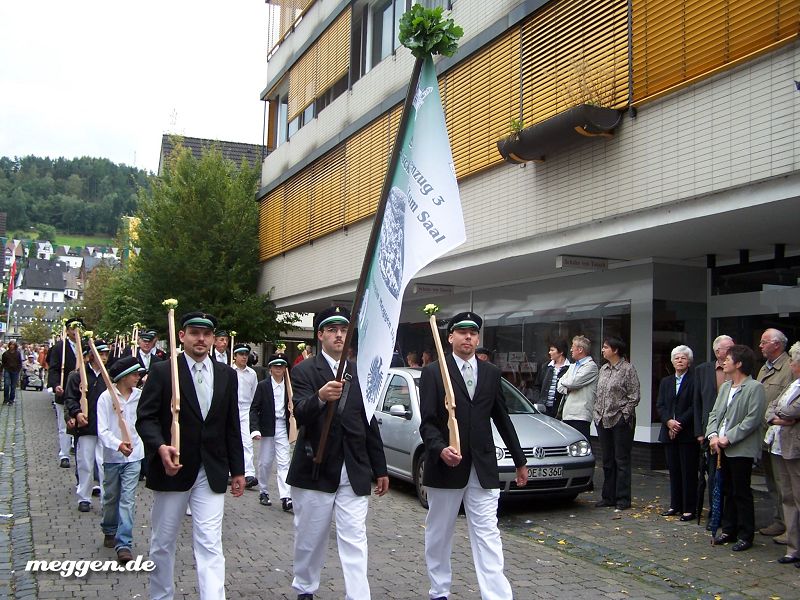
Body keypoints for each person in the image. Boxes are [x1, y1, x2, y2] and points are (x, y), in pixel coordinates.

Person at [136, 311, 245, 600]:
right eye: (195, 333)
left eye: (207, 334)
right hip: (173, 468)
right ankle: (161, 595)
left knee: (210, 542)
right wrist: (160, 447)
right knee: (163, 542)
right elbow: (145, 418)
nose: (201, 339)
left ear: (213, 338)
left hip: (211, 470)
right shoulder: (164, 371)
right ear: (182, 336)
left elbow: (231, 424)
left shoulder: (226, 375)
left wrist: (238, 470)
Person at [419, 311, 527, 600]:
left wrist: (519, 460)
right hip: (446, 466)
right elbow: (427, 422)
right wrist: (440, 448)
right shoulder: (434, 372)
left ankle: (497, 595)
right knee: (439, 533)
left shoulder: (490, 373)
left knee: (488, 534)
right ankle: (439, 590)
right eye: (462, 332)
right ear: (450, 337)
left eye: (473, 333)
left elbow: (501, 418)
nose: (468, 337)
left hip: (483, 466)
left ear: (478, 339)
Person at [287, 305, 389, 600]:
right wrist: (320, 397)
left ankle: (358, 595)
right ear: (320, 335)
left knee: (355, 538)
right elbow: (299, 413)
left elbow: (369, 422)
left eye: (344, 330)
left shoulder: (360, 372)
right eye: (332, 330)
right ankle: (305, 587)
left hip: (353, 468)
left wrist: (380, 468)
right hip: (315, 467)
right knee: (310, 538)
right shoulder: (305, 370)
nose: (339, 335)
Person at [706, 345, 767, 551]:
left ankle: (746, 534)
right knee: (726, 490)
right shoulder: (725, 387)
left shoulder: (754, 388)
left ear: (739, 363)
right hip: (720, 447)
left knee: (741, 491)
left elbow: (752, 419)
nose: (723, 362)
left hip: (740, 448)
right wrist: (713, 435)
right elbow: (714, 413)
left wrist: (728, 438)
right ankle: (728, 530)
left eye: (728, 359)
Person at [96, 356, 146, 564]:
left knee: (127, 499)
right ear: (124, 377)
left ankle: (124, 543)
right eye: (135, 374)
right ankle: (109, 528)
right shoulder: (105, 398)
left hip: (135, 456)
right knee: (111, 497)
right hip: (113, 457)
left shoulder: (140, 397)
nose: (138, 377)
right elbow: (102, 430)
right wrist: (118, 444)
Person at [64, 338, 110, 512]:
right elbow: (71, 399)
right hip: (86, 427)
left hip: (104, 427)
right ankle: (84, 497)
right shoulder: (78, 376)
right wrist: (77, 413)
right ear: (91, 355)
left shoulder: (109, 377)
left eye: (106, 354)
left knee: (104, 464)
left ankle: (106, 499)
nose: (104, 357)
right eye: (100, 354)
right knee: (85, 463)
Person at [594, 337, 640, 510]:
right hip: (602, 419)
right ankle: (608, 496)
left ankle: (623, 498)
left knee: (621, 460)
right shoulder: (603, 369)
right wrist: (597, 413)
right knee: (607, 460)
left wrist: (624, 416)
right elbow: (599, 393)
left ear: (615, 350)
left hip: (620, 420)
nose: (603, 350)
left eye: (606, 347)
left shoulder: (627, 369)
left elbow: (634, 396)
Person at [693, 334, 735, 527]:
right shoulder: (703, 370)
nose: (733, 350)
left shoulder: (738, 369)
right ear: (718, 351)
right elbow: (697, 402)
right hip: (710, 432)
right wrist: (699, 432)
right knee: (712, 475)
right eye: (729, 348)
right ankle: (714, 515)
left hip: (732, 431)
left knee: (731, 477)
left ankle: (730, 517)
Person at [765, 340, 800, 565]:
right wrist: (780, 417)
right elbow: (772, 407)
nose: (790, 364)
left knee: (798, 497)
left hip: (796, 449)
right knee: (787, 497)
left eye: (793, 361)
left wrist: (781, 414)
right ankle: (793, 548)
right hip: (780, 447)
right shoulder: (792, 385)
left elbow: (792, 410)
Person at [757, 328, 793, 541]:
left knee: (784, 484)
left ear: (777, 344)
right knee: (771, 482)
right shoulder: (765, 367)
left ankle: (791, 528)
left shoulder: (789, 367)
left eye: (764, 342)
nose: (760, 346)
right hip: (765, 436)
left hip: (782, 436)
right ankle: (779, 520)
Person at [657, 345, 698, 521]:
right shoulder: (665, 382)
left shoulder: (695, 380)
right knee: (673, 471)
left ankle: (689, 508)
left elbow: (695, 405)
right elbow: (660, 405)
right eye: (676, 358)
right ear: (672, 361)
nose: (679, 360)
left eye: (683, 358)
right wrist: (668, 422)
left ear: (689, 362)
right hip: (668, 432)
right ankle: (675, 505)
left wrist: (678, 424)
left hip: (686, 433)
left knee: (688, 472)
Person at [250, 352, 293, 510]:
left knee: (284, 462)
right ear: (270, 368)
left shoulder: (290, 386)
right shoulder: (263, 386)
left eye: (281, 366)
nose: (279, 369)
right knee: (265, 462)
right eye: (276, 366)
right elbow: (254, 409)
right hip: (267, 426)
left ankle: (286, 496)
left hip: (283, 426)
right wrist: (255, 429)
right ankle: (263, 491)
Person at [47, 318, 83, 468]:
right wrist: (56, 385)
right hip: (64, 391)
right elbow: (54, 369)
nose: (75, 332)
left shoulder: (86, 346)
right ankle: (64, 454)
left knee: (80, 423)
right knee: (64, 424)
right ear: (67, 331)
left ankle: (78, 451)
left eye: (78, 329)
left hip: (81, 393)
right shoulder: (59, 348)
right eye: (72, 329)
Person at [556, 335, 598, 441]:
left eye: (573, 347)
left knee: (580, 443)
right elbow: (559, 385)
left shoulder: (591, 366)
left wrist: (566, 384)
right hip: (567, 414)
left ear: (580, 350)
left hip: (581, 415)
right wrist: (567, 387)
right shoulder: (573, 366)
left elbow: (573, 382)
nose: (571, 350)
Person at [232, 342, 259, 489]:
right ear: (235, 356)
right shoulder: (229, 371)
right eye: (241, 354)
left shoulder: (252, 374)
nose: (244, 357)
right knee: (230, 439)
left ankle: (249, 473)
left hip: (246, 409)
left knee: (247, 442)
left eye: (246, 354)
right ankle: (229, 471)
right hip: (232, 408)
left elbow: (255, 393)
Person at [533, 338, 570, 418]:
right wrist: (538, 401)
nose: (549, 352)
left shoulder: (570, 368)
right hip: (543, 409)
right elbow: (537, 386)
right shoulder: (545, 367)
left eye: (552, 350)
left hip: (560, 411)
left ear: (561, 352)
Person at [1, 340, 23, 405]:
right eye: (11, 345)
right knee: (6, 385)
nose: (12, 346)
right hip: (7, 370)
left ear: (15, 346)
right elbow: (3, 362)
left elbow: (20, 362)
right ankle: (6, 399)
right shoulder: (5, 353)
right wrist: (2, 369)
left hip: (15, 371)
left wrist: (18, 370)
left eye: (13, 345)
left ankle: (11, 400)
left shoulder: (18, 353)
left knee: (13, 386)